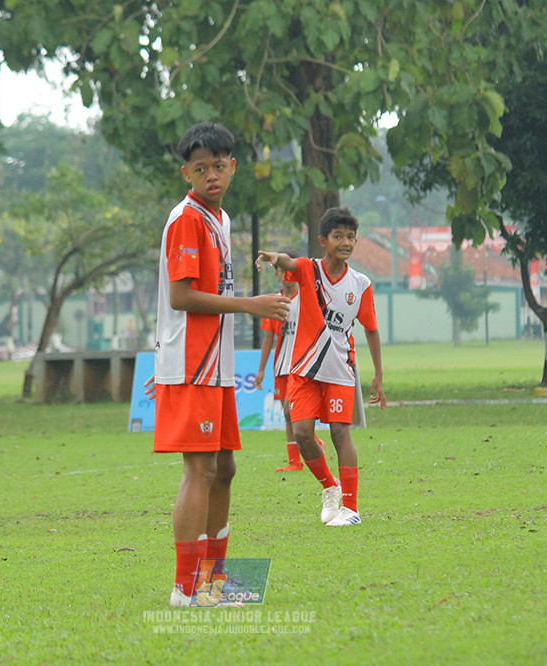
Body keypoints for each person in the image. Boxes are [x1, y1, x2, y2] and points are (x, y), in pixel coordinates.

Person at [154, 122, 291, 606]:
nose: (211, 175)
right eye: (200, 168)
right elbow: (182, 296)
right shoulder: (186, 219)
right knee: (199, 469)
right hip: (193, 363)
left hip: (217, 365)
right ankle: (184, 587)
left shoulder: (220, 218)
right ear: (186, 173)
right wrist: (250, 305)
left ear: (232, 167)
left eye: (219, 165)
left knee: (225, 468)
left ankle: (214, 579)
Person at [256, 207, 387, 527]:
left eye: (351, 237)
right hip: (303, 370)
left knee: (341, 434)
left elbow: (370, 328)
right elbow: (289, 262)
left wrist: (378, 375)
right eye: (338, 236)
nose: (346, 242)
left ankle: (351, 509)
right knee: (302, 433)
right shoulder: (308, 269)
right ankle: (330, 488)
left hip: (341, 371)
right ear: (323, 241)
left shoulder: (361, 284)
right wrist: (274, 256)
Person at [256, 251, 306, 471]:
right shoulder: (274, 302)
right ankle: (296, 459)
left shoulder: (306, 299)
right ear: (277, 274)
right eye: (280, 270)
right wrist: (261, 370)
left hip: (302, 364)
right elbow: (269, 337)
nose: (284, 274)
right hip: (281, 366)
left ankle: (308, 445)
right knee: (287, 414)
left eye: (288, 270)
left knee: (289, 411)